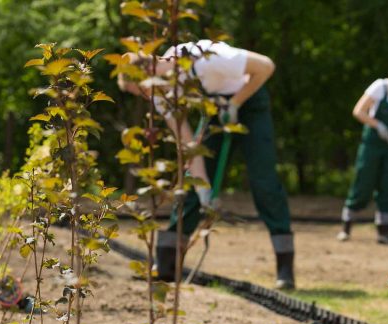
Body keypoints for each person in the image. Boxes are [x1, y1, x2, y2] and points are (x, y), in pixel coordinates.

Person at [118, 40, 296, 289]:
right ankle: (167, 263)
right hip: (214, 109)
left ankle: (285, 268)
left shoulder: (207, 58)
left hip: (250, 101)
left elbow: (266, 67)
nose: (146, 97)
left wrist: (235, 103)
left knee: (263, 180)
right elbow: (189, 145)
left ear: (148, 72)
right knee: (193, 184)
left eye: (141, 90)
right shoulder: (161, 94)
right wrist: (204, 193)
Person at [337, 57, 388, 245]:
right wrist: (377, 125)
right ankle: (346, 227)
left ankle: (383, 232)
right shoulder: (380, 87)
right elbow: (358, 111)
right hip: (372, 144)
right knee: (363, 182)